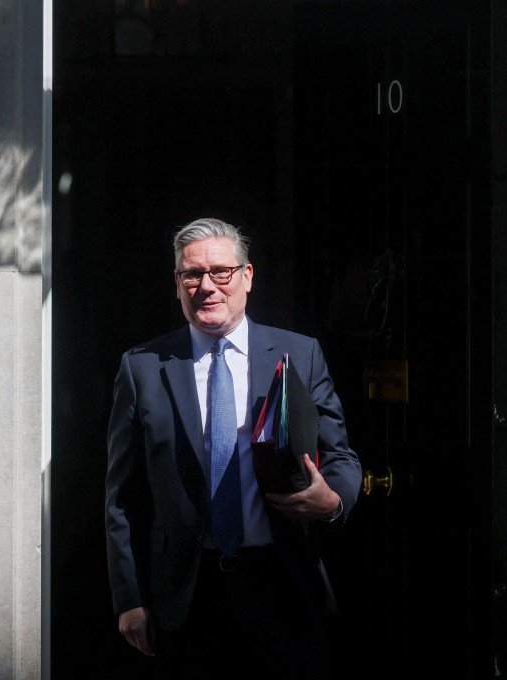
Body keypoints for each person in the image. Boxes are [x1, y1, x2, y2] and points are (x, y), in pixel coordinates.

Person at [105, 217, 362, 679]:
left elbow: (340, 455)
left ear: (246, 277)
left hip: (281, 587)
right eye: (192, 275)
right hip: (184, 596)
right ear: (178, 284)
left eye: (221, 272)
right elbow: (121, 497)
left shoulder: (298, 354)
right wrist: (130, 598)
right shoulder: (143, 367)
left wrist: (333, 500)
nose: (207, 286)